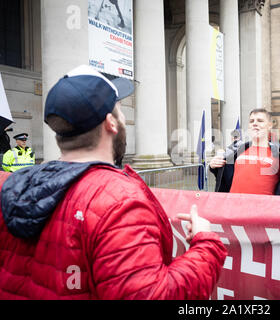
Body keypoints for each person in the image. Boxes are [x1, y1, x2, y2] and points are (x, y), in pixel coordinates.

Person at [0, 65, 226, 300]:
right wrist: (206, 244)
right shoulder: (120, 202)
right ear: (111, 123)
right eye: (120, 109)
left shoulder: (13, 187)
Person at [209, 108, 280, 196]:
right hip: (234, 210)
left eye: (260, 121)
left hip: (263, 213)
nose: (255, 123)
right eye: (251, 121)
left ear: (269, 125)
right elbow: (224, 176)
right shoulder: (236, 151)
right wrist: (213, 166)